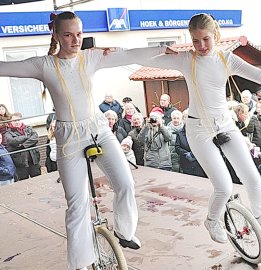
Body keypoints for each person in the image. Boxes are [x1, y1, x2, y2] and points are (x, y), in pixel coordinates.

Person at [0, 11, 170, 270]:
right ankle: (81, 262)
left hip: (98, 129)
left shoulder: (90, 58)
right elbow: (6, 67)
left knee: (125, 182)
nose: (75, 40)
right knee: (77, 204)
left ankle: (124, 232)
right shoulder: (43, 65)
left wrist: (161, 49)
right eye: (67, 35)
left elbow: (128, 56)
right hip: (69, 138)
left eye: (79, 34)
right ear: (56, 35)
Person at [135, 13, 261, 244]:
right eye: (195, 41)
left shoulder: (226, 59)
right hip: (199, 129)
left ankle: (260, 216)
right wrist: (111, 52)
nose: (201, 46)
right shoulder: (185, 60)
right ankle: (212, 220)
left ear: (215, 35)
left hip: (224, 124)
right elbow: (145, 58)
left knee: (252, 177)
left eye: (206, 39)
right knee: (223, 186)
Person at [5, 113, 41, 181]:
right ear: (11, 121)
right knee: (23, 183)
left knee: (38, 180)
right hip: (20, 163)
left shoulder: (28, 128)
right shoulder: (8, 133)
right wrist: (26, 137)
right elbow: (13, 141)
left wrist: (23, 145)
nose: (17, 122)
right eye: (15, 121)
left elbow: (35, 137)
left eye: (18, 120)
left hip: (33, 160)